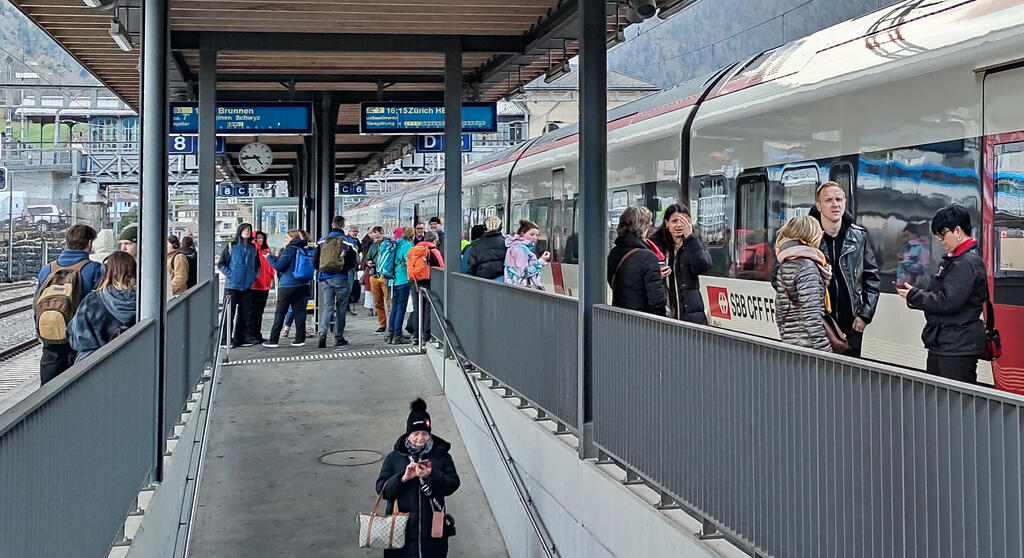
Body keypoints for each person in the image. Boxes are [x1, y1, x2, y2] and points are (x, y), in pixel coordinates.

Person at [896, 204, 987, 383]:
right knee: (940, 397)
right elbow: (940, 294)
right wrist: (915, 296)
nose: (940, 239)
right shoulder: (955, 259)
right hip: (946, 342)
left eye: (943, 234)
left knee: (953, 398)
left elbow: (948, 301)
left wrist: (915, 296)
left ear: (958, 231)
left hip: (957, 346)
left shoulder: (967, 262)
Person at [375, 398, 461, 558]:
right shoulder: (394, 458)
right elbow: (381, 489)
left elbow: (453, 484)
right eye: (416, 434)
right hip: (400, 531)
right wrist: (402, 479)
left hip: (432, 531)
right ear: (408, 434)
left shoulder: (441, 456)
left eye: (425, 434)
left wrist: (431, 475)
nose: (420, 438)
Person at [808, 181, 880, 357]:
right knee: (817, 372)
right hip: (817, 325)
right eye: (829, 200)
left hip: (851, 327)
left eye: (839, 199)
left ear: (845, 203)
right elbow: (780, 277)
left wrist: (865, 315)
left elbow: (872, 278)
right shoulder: (806, 237)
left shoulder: (859, 237)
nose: (835, 204)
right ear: (819, 206)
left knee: (849, 373)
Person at [35, 224, 104, 384]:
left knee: (49, 387)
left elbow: (36, 303)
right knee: (77, 385)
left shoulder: (47, 270)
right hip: (82, 338)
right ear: (89, 243)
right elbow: (100, 306)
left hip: (51, 333)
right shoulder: (95, 269)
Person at [773, 216, 833, 353]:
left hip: (791, 341)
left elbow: (780, 311)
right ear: (811, 236)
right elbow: (811, 315)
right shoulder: (806, 267)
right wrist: (826, 351)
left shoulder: (786, 264)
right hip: (808, 345)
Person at [67, 251, 138, 363]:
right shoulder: (144, 302)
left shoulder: (92, 301)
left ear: (105, 271)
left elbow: (75, 336)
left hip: (94, 364)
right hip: (134, 361)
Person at [649, 203, 713, 324]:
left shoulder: (694, 242)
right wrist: (657, 274)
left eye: (683, 221)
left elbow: (703, 267)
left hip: (691, 311)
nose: (679, 225)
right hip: (665, 308)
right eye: (674, 221)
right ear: (666, 223)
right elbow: (646, 273)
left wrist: (690, 238)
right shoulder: (656, 245)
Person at [607, 206, 668, 316]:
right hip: (641, 320)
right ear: (644, 227)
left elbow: (625, 283)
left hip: (618, 317)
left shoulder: (614, 253)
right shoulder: (648, 257)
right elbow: (657, 301)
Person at [264, 229, 314, 347]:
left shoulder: (290, 249)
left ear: (293, 239)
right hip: (304, 284)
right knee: (300, 313)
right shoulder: (306, 248)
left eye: (287, 238)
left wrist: (269, 258)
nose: (285, 240)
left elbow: (279, 266)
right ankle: (299, 339)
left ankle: (273, 340)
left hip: (288, 285)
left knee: (280, 313)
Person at [313, 215, 358, 348]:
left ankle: (322, 333)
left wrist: (322, 270)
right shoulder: (349, 242)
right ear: (343, 226)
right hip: (342, 279)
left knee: (328, 307)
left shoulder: (322, 241)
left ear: (332, 224)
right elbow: (353, 262)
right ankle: (339, 337)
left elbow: (315, 261)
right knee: (341, 308)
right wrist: (342, 269)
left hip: (325, 278)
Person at [217, 223, 261, 347]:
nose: (247, 232)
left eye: (249, 230)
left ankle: (240, 338)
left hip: (247, 286)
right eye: (245, 230)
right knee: (228, 314)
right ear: (240, 231)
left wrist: (253, 276)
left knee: (244, 314)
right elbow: (221, 264)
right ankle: (225, 340)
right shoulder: (232, 246)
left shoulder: (253, 248)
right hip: (232, 286)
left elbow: (257, 265)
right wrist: (231, 275)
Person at [407, 230, 444, 344]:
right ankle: (426, 336)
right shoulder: (433, 251)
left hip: (415, 282)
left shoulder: (414, 249)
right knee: (428, 309)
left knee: (418, 309)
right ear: (435, 240)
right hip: (428, 283)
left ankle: (416, 336)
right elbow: (442, 267)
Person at [386, 227, 416, 345]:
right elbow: (409, 262)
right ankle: (398, 335)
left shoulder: (396, 244)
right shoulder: (407, 245)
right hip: (403, 280)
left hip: (392, 281)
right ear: (412, 235)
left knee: (394, 308)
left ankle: (391, 333)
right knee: (401, 308)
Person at [504, 219, 549, 288]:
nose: (535, 238)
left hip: (516, 286)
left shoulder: (516, 246)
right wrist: (541, 261)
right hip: (522, 287)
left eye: (536, 235)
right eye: (532, 234)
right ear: (522, 234)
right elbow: (523, 273)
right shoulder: (520, 249)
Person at [248, 231, 274, 343]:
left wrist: (270, 276)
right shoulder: (252, 251)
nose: (260, 240)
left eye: (262, 238)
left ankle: (257, 334)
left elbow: (270, 267)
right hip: (254, 287)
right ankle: (251, 335)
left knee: (259, 313)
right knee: (252, 313)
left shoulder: (265, 252)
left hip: (265, 286)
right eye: (258, 238)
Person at [365, 226, 389, 334]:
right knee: (378, 303)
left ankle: (391, 324)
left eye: (378, 235)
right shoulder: (372, 246)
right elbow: (367, 259)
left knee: (388, 302)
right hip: (374, 275)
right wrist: (369, 263)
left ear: (383, 234)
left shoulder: (388, 245)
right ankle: (382, 324)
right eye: (374, 235)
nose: (376, 238)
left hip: (384, 276)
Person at [896, 223, 931, 288]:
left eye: (907, 235)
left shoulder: (923, 248)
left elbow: (923, 268)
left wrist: (904, 261)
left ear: (915, 235)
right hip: (904, 285)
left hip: (914, 286)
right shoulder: (908, 249)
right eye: (903, 237)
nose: (905, 239)